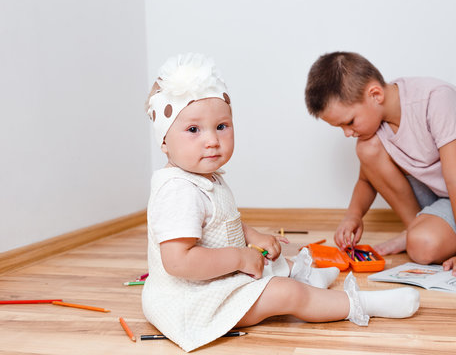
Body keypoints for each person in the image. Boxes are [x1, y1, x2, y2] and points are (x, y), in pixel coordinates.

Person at [142, 53, 420, 352]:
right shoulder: (177, 191)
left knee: (274, 262)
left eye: (221, 126)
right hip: (193, 301)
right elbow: (178, 261)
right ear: (164, 141)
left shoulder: (202, 177)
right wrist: (238, 258)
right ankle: (359, 303)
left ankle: (307, 278)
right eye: (194, 130)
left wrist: (254, 237)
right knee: (287, 294)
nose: (212, 140)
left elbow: (217, 222)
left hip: (212, 278)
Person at [304, 51, 456, 281]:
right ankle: (417, 228)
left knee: (423, 246)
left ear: (375, 94)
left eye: (350, 122)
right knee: (367, 148)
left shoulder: (436, 100)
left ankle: (420, 233)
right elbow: (366, 180)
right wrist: (353, 215)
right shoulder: (376, 125)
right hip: (439, 194)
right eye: (340, 127)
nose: (347, 133)